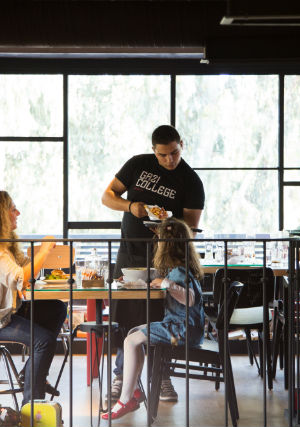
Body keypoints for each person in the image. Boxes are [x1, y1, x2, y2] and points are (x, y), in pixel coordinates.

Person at [101, 124, 205, 401]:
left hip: (165, 257)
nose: (170, 160)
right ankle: (122, 377)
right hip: (129, 252)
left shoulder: (191, 181)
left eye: (174, 153)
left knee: (161, 314)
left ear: (182, 145)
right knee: (125, 314)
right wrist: (130, 207)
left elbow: (190, 231)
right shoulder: (137, 165)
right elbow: (107, 196)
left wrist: (166, 228)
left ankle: (162, 376)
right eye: (163, 155)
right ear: (153, 151)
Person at [0, 188, 67, 404]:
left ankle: (31, 375)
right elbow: (19, 278)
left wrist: (35, 260)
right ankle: (31, 409)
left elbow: (19, 271)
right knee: (43, 341)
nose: (18, 213)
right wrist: (44, 251)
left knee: (56, 308)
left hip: (2, 311)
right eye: (13, 209)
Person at [102, 217, 205, 420]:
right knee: (133, 334)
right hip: (183, 328)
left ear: (166, 246)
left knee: (131, 341)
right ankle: (134, 390)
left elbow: (190, 299)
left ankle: (125, 399)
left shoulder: (179, 272)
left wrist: (167, 284)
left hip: (182, 331)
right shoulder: (182, 268)